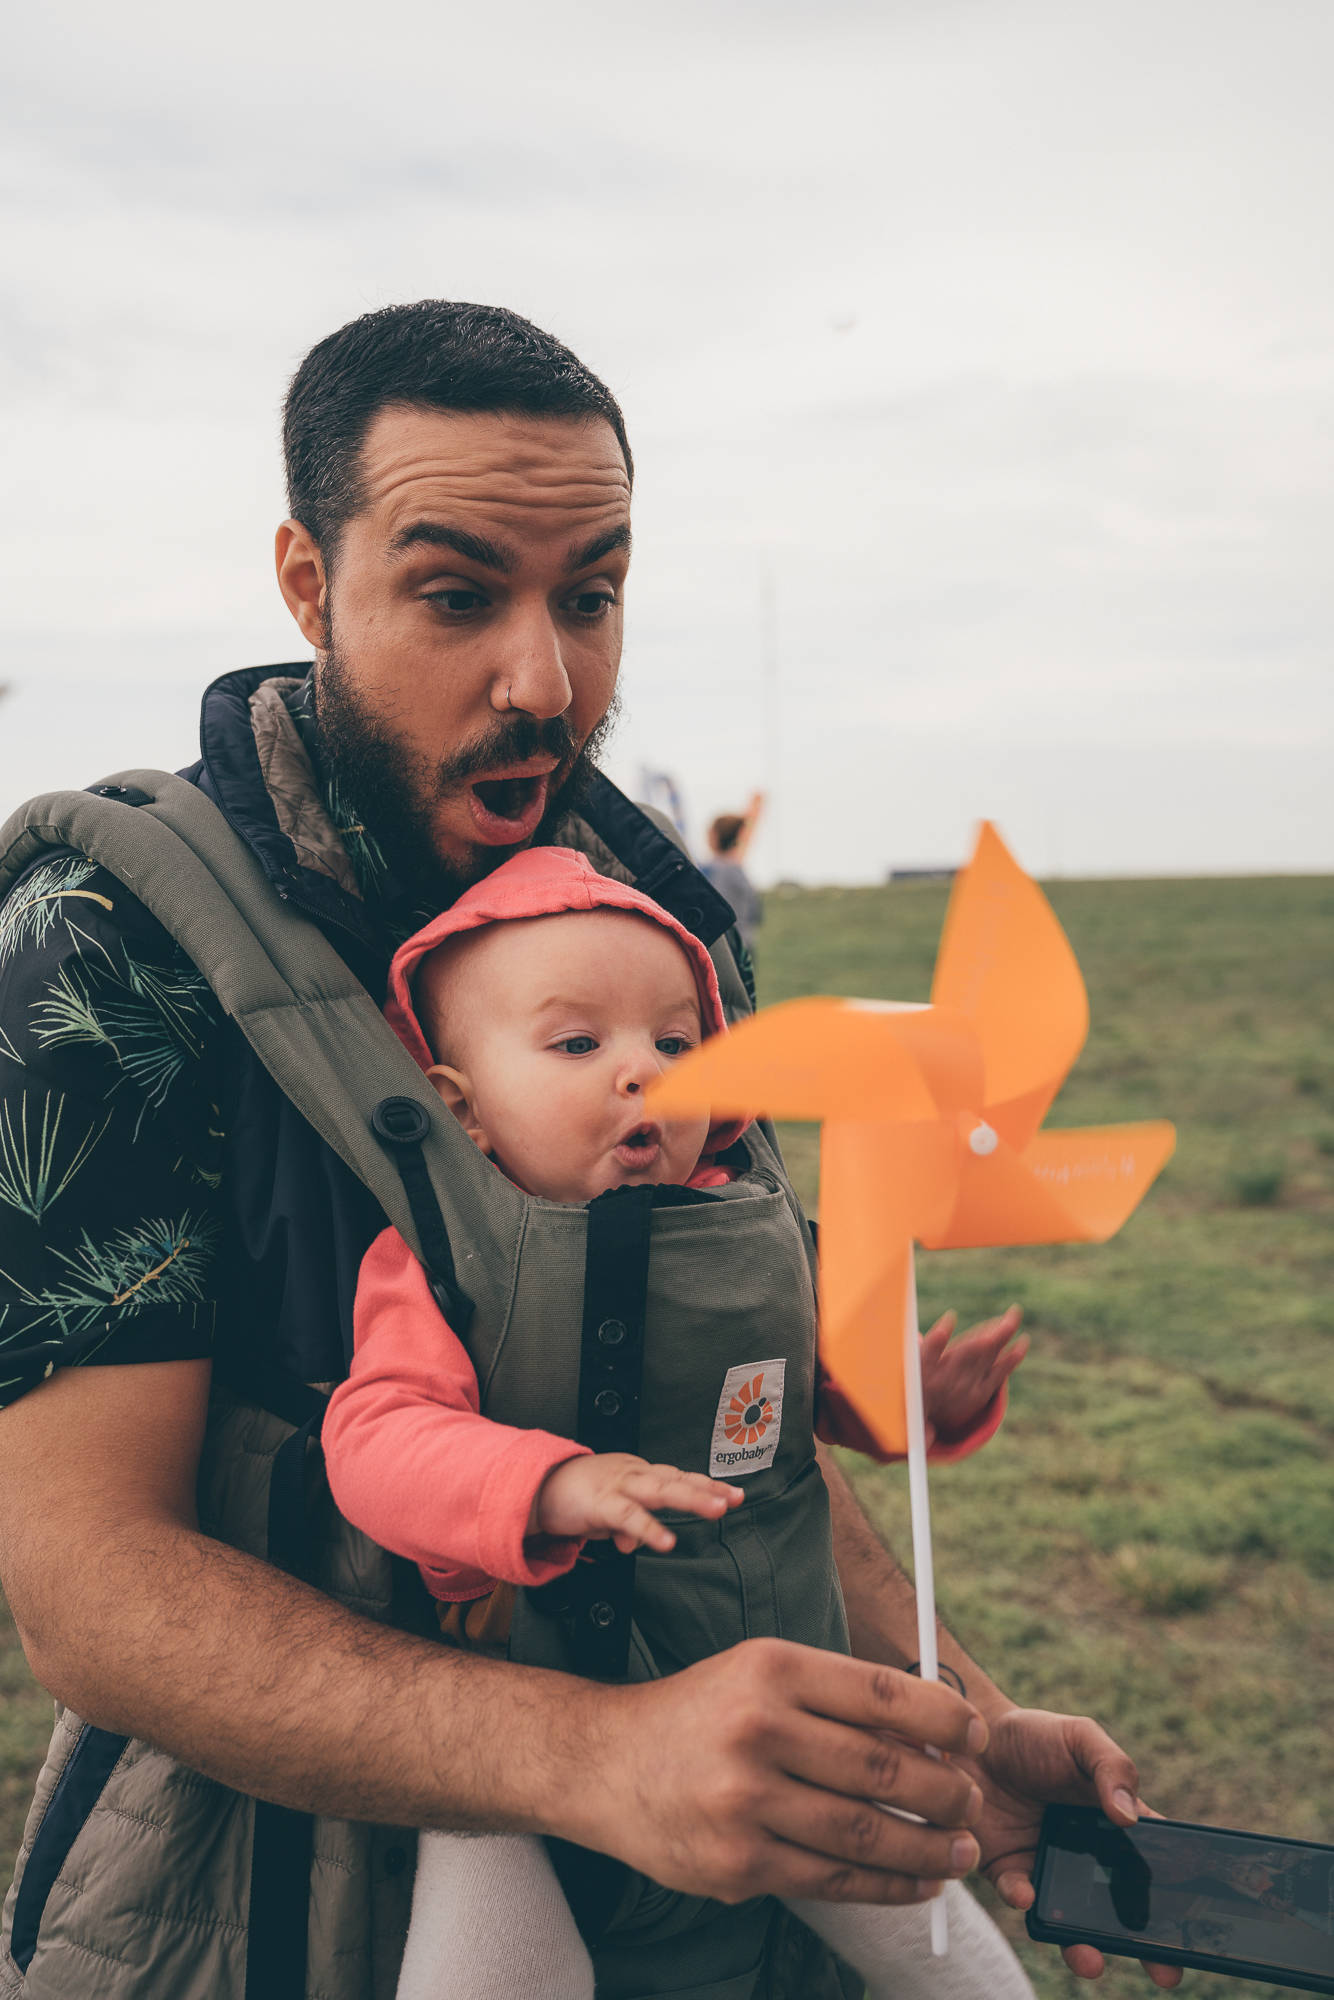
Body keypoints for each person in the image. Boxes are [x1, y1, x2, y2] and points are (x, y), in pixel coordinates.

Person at [0, 300, 1179, 1997]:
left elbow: (738, 1418)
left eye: (593, 594)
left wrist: (961, 1722)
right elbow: (86, 1589)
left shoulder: (656, 930)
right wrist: (597, 1755)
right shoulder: (109, 935)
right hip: (287, 1911)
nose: (544, 682)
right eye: (457, 593)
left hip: (729, 1906)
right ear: (306, 581)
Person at [319, 844, 1030, 2000]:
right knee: (490, 1969)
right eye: (575, 1043)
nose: (642, 1071)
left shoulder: (748, 1231)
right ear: (463, 1111)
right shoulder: (443, 1264)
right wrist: (548, 1485)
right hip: (529, 1720)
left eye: (675, 1040)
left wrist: (912, 1398)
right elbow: (375, 1438)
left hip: (780, 1690)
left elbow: (796, 1399)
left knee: (941, 1944)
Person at [701, 791, 765, 959]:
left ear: (716, 836)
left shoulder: (713, 871)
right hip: (745, 945)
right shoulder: (739, 871)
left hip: (724, 950)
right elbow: (756, 913)